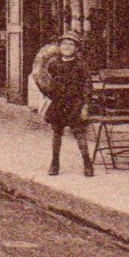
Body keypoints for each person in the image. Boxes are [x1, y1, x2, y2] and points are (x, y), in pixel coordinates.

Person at [36, 31, 95, 177]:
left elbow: (87, 86)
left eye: (71, 44)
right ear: (59, 46)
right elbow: (44, 79)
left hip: (75, 103)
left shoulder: (81, 65)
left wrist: (85, 105)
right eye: (64, 43)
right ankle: (54, 163)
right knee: (57, 133)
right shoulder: (53, 63)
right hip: (57, 102)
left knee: (79, 133)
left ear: (76, 48)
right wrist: (46, 93)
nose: (67, 46)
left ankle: (87, 164)